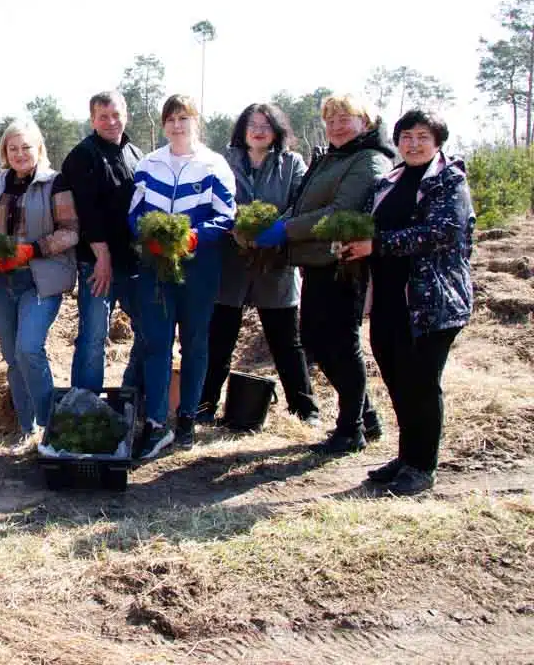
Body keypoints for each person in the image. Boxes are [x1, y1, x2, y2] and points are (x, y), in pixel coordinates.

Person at [341, 110, 474, 495]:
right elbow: (368, 223)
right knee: (398, 380)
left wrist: (378, 244)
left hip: (431, 302)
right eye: (407, 137)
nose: (414, 144)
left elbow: (442, 232)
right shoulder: (389, 181)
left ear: (437, 141)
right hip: (388, 298)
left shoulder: (450, 180)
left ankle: (422, 466)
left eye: (422, 137)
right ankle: (406, 456)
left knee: (421, 383)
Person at [255, 93, 394, 454]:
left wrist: (285, 230)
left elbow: (339, 212)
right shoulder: (333, 157)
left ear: (365, 122)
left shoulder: (369, 160)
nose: (336, 126)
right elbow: (303, 203)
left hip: (343, 265)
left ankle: (350, 430)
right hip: (318, 263)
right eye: (330, 120)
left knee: (341, 346)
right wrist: (275, 225)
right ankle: (366, 416)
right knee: (317, 342)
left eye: (345, 119)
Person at [127, 94, 236, 459]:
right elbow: (134, 213)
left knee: (195, 343)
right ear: (163, 125)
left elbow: (226, 215)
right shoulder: (149, 164)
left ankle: (187, 417)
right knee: (156, 342)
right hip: (155, 265)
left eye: (183, 118)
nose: (177, 125)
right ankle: (156, 422)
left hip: (198, 265)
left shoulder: (214, 164)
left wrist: (194, 236)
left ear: (195, 122)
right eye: (171, 119)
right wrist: (148, 235)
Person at [198, 103, 320, 425]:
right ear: (243, 129)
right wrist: (235, 226)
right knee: (219, 339)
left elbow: (301, 204)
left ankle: (305, 409)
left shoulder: (291, 163)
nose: (258, 131)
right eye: (252, 124)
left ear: (277, 131)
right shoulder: (224, 161)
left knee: (286, 341)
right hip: (231, 261)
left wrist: (277, 230)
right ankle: (204, 406)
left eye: (266, 125)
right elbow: (212, 201)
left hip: (274, 261)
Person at [0, 119, 78, 453]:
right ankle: (26, 429)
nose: (20, 154)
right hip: (2, 282)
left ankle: (49, 428)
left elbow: (71, 231)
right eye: (13, 148)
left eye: (26, 147)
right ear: (5, 151)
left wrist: (33, 249)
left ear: (39, 148)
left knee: (28, 349)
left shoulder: (55, 183)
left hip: (40, 280)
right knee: (13, 358)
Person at [60, 90, 145, 395]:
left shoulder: (136, 154)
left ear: (126, 115)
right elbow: (86, 212)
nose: (111, 122)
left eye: (116, 115)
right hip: (97, 264)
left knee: (148, 332)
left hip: (134, 262)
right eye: (103, 116)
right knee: (94, 336)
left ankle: (131, 395)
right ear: (92, 120)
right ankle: (84, 405)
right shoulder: (83, 156)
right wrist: (103, 257)